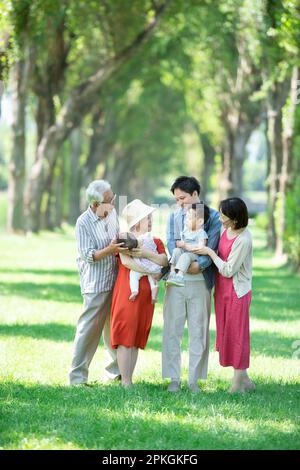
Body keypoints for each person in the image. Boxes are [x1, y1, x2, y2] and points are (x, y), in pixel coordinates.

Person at [162, 176, 221, 393]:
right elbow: (171, 243)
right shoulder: (174, 216)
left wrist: (200, 265)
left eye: (183, 198)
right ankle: (173, 379)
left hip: (200, 282)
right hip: (176, 281)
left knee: (198, 331)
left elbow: (212, 247)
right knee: (172, 330)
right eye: (177, 200)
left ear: (195, 194)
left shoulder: (213, 217)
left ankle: (194, 380)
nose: (180, 203)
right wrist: (186, 263)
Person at [69, 180, 127, 386]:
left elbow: (116, 239)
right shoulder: (83, 222)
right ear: (95, 204)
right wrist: (110, 250)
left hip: (116, 280)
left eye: (113, 198)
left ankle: (114, 372)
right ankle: (77, 377)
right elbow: (88, 256)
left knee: (114, 328)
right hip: (95, 284)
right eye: (109, 201)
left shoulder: (111, 215)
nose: (113, 203)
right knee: (88, 330)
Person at [197, 197, 255, 393]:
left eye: (224, 216)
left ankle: (238, 383)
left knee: (238, 334)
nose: (220, 218)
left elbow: (229, 270)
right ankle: (244, 379)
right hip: (222, 291)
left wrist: (210, 254)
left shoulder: (244, 239)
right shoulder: (225, 230)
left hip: (237, 292)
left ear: (236, 219)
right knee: (227, 332)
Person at [110, 199, 169, 388]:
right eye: (147, 218)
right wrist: (150, 271)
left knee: (135, 337)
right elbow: (126, 262)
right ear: (136, 222)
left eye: (151, 218)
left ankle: (129, 378)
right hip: (129, 293)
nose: (151, 221)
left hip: (146, 296)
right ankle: (125, 381)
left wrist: (145, 253)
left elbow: (164, 261)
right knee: (125, 336)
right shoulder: (124, 238)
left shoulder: (156, 241)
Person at [166, 203, 209, 287]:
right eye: (186, 217)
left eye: (189, 218)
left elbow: (200, 248)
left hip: (194, 256)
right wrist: (179, 244)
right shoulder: (185, 231)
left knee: (185, 255)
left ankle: (180, 276)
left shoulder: (201, 233)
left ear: (200, 221)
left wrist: (184, 245)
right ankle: (172, 273)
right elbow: (180, 244)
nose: (186, 220)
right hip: (184, 253)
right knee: (176, 250)